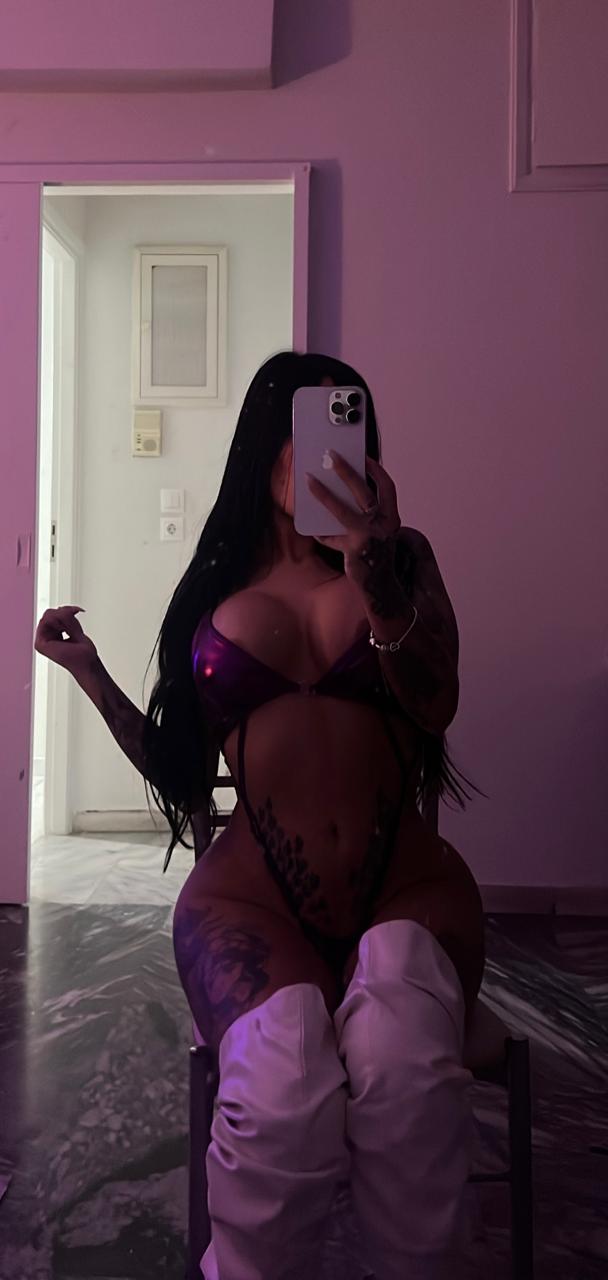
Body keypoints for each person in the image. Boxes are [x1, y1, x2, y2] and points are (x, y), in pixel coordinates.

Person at [35, 350, 487, 1280]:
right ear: (261, 446)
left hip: (405, 888)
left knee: (404, 1072)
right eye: (296, 430)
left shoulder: (402, 559)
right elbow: (180, 771)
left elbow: (437, 701)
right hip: (253, 902)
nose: (314, 454)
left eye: (340, 427)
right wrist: (88, 672)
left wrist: (376, 576)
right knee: (283, 1089)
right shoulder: (214, 587)